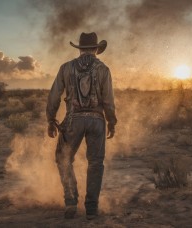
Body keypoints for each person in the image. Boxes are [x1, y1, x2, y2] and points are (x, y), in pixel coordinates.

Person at [46, 32, 117, 220]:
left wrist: (51, 120)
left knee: (63, 159)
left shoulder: (66, 68)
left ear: (80, 49)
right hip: (97, 120)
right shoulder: (103, 69)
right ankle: (91, 208)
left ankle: (70, 201)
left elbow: (54, 96)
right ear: (96, 49)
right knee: (95, 163)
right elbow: (108, 101)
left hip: (72, 120)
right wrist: (112, 122)